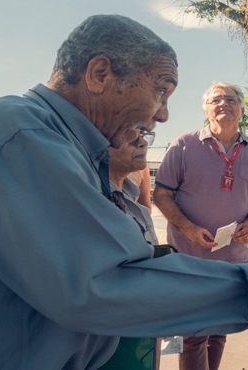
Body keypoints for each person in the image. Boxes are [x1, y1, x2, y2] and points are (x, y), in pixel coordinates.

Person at [0, 15, 248, 369]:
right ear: (100, 74)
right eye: (161, 90)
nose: (161, 113)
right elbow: (98, 286)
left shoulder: (64, 146)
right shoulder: (21, 136)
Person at [153, 82, 248, 370]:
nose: (223, 103)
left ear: (241, 109)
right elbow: (162, 195)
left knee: (219, 331)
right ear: (205, 109)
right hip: (189, 258)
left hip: (233, 259)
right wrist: (188, 228)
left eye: (230, 99)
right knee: (194, 334)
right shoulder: (184, 144)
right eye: (215, 99)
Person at [99, 127, 159, 370]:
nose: (143, 143)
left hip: (142, 328)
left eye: (145, 135)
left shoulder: (133, 203)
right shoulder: (96, 203)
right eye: (132, 135)